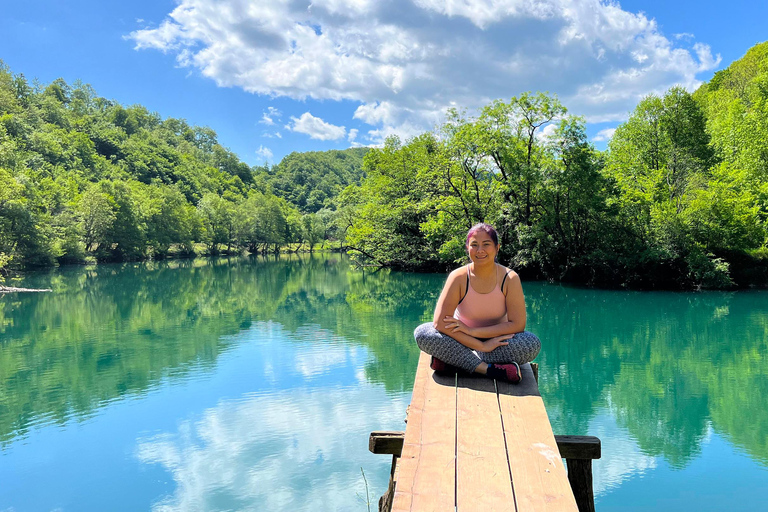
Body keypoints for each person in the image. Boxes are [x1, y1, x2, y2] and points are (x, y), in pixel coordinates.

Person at [413, 223, 541, 383]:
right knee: (423, 333)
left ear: (497, 247)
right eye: (474, 245)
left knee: (531, 343)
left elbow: (517, 325)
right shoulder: (458, 277)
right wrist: (479, 345)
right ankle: (487, 369)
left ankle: (455, 363)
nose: (480, 250)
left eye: (486, 244)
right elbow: (440, 323)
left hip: (495, 341)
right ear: (467, 248)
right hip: (460, 340)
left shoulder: (510, 278)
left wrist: (474, 333)